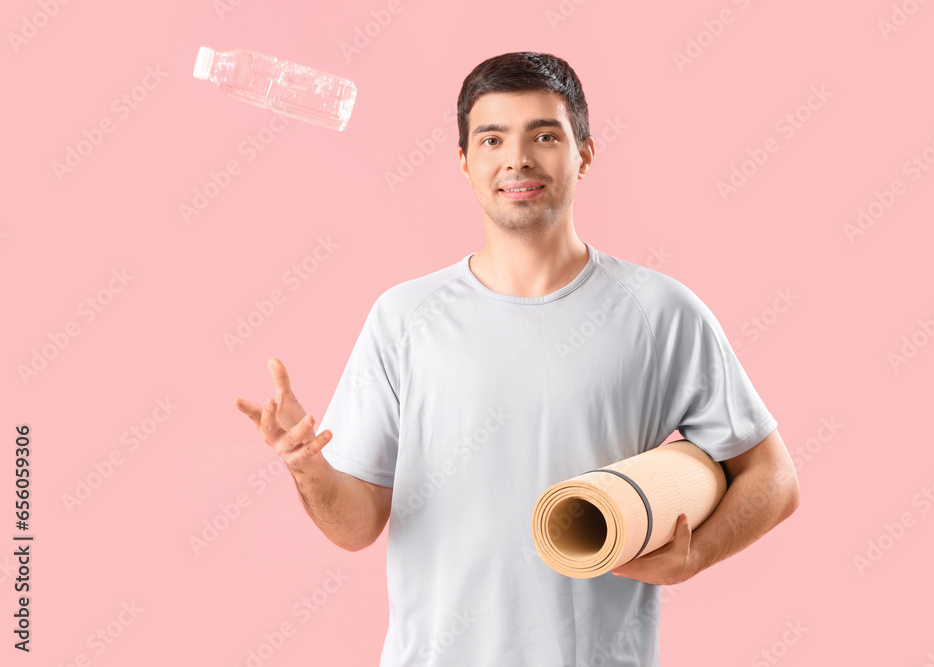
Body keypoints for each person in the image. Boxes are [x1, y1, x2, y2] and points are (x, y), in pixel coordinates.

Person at [234, 51, 799, 666]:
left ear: (584, 153)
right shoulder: (404, 318)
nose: (517, 159)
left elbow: (773, 477)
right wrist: (306, 469)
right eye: (492, 138)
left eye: (545, 135)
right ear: (465, 162)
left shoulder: (659, 312)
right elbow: (357, 526)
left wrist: (696, 554)